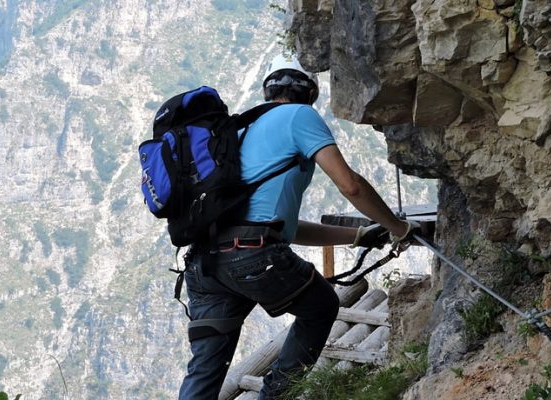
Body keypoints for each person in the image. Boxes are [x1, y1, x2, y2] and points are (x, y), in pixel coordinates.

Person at [178, 54, 419, 399]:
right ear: (309, 94)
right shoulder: (300, 116)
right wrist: (397, 227)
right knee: (321, 307)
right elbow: (350, 186)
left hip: (205, 263)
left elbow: (281, 229)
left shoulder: (239, 129)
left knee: (205, 367)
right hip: (252, 257)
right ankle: (275, 396)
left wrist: (357, 236)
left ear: (269, 91)